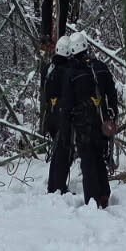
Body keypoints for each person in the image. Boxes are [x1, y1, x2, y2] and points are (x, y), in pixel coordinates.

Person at [55, 30, 117, 208]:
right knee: (100, 157)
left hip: (83, 125)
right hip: (102, 123)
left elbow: (66, 104)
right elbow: (112, 93)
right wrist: (112, 115)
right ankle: (104, 194)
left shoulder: (72, 74)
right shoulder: (100, 67)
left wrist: (66, 132)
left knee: (88, 161)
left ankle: (92, 199)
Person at [45, 33, 76, 194]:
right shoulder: (67, 72)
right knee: (63, 152)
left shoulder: (50, 70)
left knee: (58, 151)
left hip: (52, 115)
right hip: (63, 116)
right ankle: (57, 187)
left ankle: (54, 184)